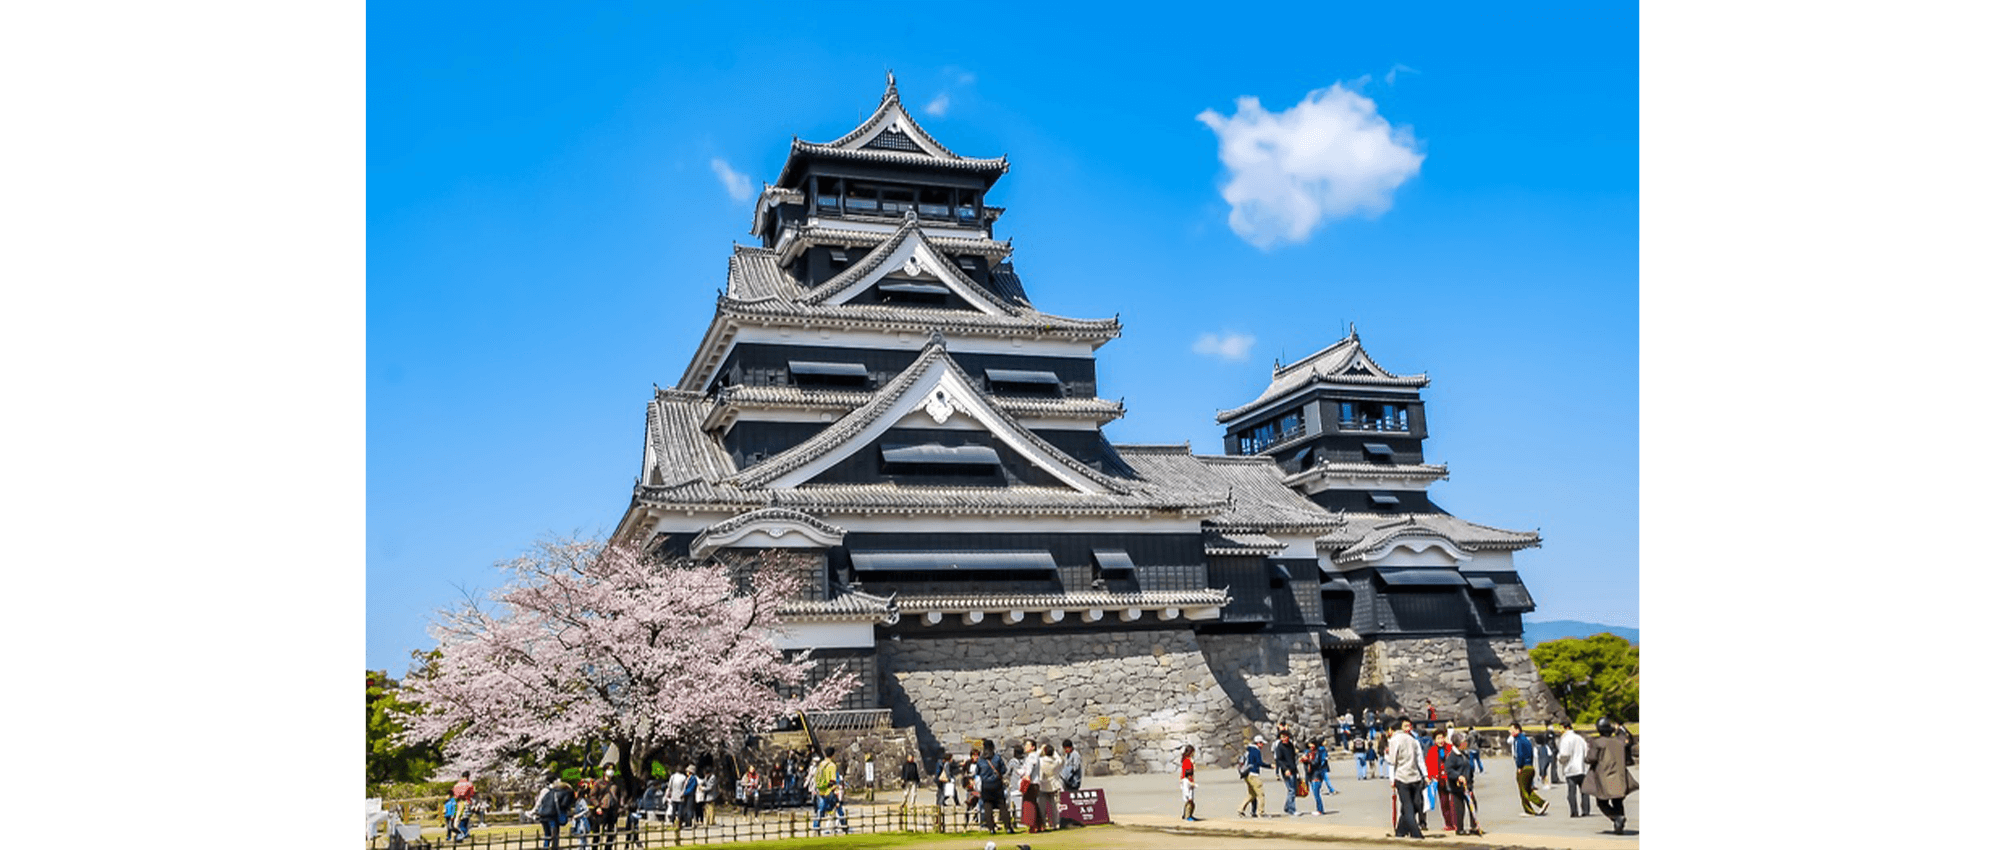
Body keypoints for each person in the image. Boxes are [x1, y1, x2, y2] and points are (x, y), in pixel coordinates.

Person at [1581, 718, 1637, 835]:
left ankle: (1616, 817)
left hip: (1604, 776)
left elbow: (1591, 758)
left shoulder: (1598, 742)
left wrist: (1586, 758)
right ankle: (1619, 823)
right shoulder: (1619, 741)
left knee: (1601, 801)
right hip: (1619, 775)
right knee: (1618, 801)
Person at [1386, 718, 1426, 839]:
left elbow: (1392, 761)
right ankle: (1401, 831)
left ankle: (1415, 833)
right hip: (1415, 776)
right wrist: (1425, 774)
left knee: (1407, 807)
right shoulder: (1413, 740)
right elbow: (1420, 759)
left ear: (1391, 730)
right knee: (1413, 806)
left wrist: (1392, 779)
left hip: (1402, 776)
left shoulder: (1394, 740)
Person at [1445, 733, 1482, 836]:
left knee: (1472, 805)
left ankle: (1473, 826)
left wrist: (1470, 780)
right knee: (1459, 808)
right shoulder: (1452, 756)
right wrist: (1458, 776)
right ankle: (1459, 829)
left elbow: (1469, 768)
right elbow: (1449, 770)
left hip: (1467, 785)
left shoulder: (1465, 753)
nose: (1466, 743)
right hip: (1457, 787)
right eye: (1463, 742)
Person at [1509, 723, 1549, 816]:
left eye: (1512, 729)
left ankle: (1529, 810)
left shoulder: (1519, 740)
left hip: (1524, 767)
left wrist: (1519, 766)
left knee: (1523, 790)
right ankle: (1541, 803)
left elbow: (1519, 754)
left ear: (1518, 730)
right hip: (1530, 766)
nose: (1510, 732)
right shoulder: (1526, 740)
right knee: (1527, 789)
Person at [1557, 720, 1592, 817]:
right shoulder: (1580, 738)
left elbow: (1564, 754)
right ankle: (1586, 810)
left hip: (1571, 769)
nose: (1559, 730)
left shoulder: (1565, 739)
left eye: (1561, 728)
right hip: (1581, 768)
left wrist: (1559, 759)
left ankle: (1574, 811)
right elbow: (1586, 751)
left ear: (1566, 728)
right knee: (1584, 792)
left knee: (1571, 793)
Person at [533, 772, 575, 850]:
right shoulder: (564, 792)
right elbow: (564, 804)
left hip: (543, 815)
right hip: (553, 816)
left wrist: (534, 811)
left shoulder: (547, 791)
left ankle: (545, 848)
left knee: (547, 835)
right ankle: (554, 848)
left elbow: (540, 802)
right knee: (555, 835)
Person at [811, 747, 845, 834]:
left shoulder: (821, 764)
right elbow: (832, 780)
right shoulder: (832, 766)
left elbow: (816, 777)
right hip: (829, 791)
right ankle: (844, 826)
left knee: (820, 810)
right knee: (838, 808)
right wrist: (835, 791)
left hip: (820, 790)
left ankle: (816, 827)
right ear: (833, 755)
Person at [1236, 734, 1268, 818]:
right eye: (1262, 743)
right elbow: (1259, 763)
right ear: (1258, 743)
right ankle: (1260, 812)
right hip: (1253, 775)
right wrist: (1270, 766)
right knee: (1261, 795)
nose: (1262, 745)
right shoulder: (1256, 751)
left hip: (1246, 774)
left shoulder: (1249, 750)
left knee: (1251, 794)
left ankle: (1240, 809)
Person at [1305, 736, 1333, 815]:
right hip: (1311, 774)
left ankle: (1320, 810)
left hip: (1317, 774)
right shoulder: (1309, 752)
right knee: (1315, 793)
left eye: (1312, 744)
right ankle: (1319, 809)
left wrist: (1308, 760)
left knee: (1316, 794)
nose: (1311, 746)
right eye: (1310, 744)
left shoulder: (1317, 752)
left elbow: (1316, 763)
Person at [1037, 743, 1062, 831]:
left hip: (1043, 785)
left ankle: (1043, 824)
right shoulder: (1056, 762)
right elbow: (1059, 759)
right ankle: (1055, 824)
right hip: (1054, 785)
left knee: (1042, 806)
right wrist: (1054, 751)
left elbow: (1035, 756)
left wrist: (1041, 749)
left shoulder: (1041, 761)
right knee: (1054, 806)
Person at [1275, 730, 1300, 816]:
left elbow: (1293, 758)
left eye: (1286, 736)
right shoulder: (1279, 747)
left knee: (1293, 790)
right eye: (1282, 737)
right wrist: (1285, 769)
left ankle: (1287, 807)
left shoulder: (1290, 745)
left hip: (1293, 769)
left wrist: (1296, 770)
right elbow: (1279, 760)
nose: (1284, 738)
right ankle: (1292, 809)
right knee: (1291, 790)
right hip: (1286, 771)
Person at [449, 771, 476, 841]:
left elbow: (454, 794)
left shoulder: (456, 785)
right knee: (465, 818)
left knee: (458, 817)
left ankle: (462, 832)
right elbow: (472, 794)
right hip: (466, 802)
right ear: (468, 776)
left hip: (457, 802)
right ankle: (463, 832)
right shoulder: (469, 784)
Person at [1179, 744, 1199, 821]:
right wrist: (1191, 782)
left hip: (1187, 780)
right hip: (1187, 781)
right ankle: (1188, 816)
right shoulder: (1187, 761)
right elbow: (1188, 772)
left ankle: (1186, 815)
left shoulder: (1187, 760)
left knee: (1189, 800)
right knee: (1189, 800)